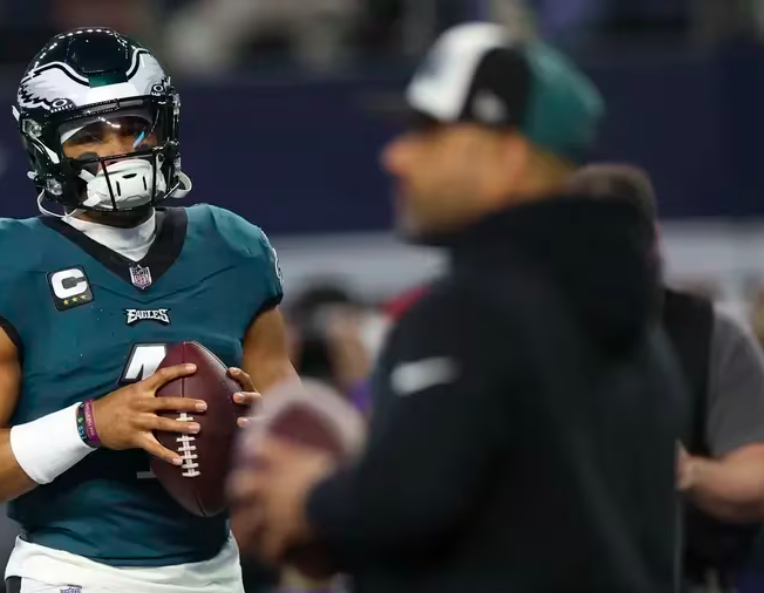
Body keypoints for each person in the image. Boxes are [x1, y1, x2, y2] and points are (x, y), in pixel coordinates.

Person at [230, 21, 686, 593]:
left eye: (428, 133)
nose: (396, 157)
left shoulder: (473, 312)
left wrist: (309, 497)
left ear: (508, 156)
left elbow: (406, 500)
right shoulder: (639, 330)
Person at [0, 27, 297, 593]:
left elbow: (293, 431)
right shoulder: (4, 261)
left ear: (165, 127)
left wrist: (262, 431)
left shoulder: (232, 248)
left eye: (134, 126)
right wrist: (93, 424)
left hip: (219, 573)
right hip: (75, 574)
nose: (119, 148)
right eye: (89, 135)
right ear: (48, 148)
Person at [568, 163, 764, 593]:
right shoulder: (527, 332)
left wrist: (688, 471)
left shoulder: (711, 338)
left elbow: (757, 476)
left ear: (652, 241)